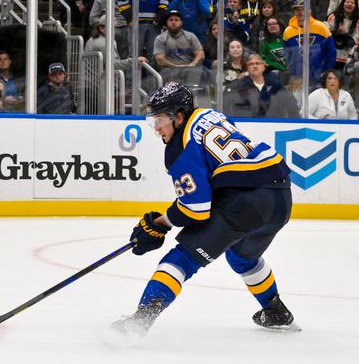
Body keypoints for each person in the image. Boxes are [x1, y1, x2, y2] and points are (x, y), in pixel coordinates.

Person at [110, 83, 297, 341]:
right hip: (280, 197)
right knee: (242, 258)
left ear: (178, 116)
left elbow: (195, 209)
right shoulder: (210, 115)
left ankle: (139, 322)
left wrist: (159, 223)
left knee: (180, 259)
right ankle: (276, 311)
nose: (156, 128)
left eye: (160, 120)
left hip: (246, 202)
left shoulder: (179, 147)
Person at [223, 54, 299, 118]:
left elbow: (291, 101)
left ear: (263, 66)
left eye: (258, 63)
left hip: (272, 125)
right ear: (247, 68)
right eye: (251, 64)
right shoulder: (238, 85)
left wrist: (295, 121)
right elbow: (225, 104)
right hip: (247, 125)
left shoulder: (274, 83)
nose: (255, 66)